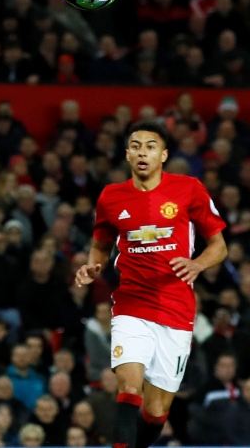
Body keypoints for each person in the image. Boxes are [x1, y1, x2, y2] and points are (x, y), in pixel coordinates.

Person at [77, 121, 227, 448]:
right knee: (129, 388)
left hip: (176, 310)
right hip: (131, 304)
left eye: (150, 146)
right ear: (128, 154)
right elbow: (101, 244)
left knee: (157, 411)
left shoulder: (189, 189)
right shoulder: (111, 197)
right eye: (135, 145)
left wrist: (197, 263)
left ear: (163, 155)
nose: (142, 151)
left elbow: (219, 245)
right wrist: (93, 266)